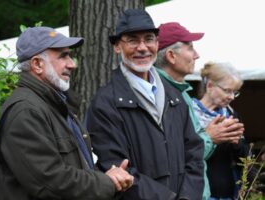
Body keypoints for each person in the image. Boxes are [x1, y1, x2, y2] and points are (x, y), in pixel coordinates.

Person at [0, 26, 134, 200]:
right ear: (37, 64)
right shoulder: (25, 111)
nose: (72, 64)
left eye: (70, 55)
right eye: (63, 56)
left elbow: (79, 167)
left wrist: (109, 178)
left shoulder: (54, 104)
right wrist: (106, 182)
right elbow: (51, 182)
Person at [86, 9, 204, 200]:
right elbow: (117, 168)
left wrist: (188, 197)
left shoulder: (174, 95)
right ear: (117, 46)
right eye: (132, 40)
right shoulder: (105, 104)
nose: (142, 47)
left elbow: (194, 154)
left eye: (149, 39)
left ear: (157, 44)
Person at [155, 22, 244, 200]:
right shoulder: (160, 97)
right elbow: (171, 157)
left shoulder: (181, 96)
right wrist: (210, 137)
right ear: (171, 56)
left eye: (235, 92)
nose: (197, 55)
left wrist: (237, 143)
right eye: (190, 48)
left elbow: (242, 158)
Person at [192, 62, 250, 199]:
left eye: (235, 92)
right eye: (227, 90)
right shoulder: (189, 113)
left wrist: (237, 143)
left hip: (229, 193)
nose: (231, 97)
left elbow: (245, 157)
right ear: (210, 85)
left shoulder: (231, 115)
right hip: (200, 192)